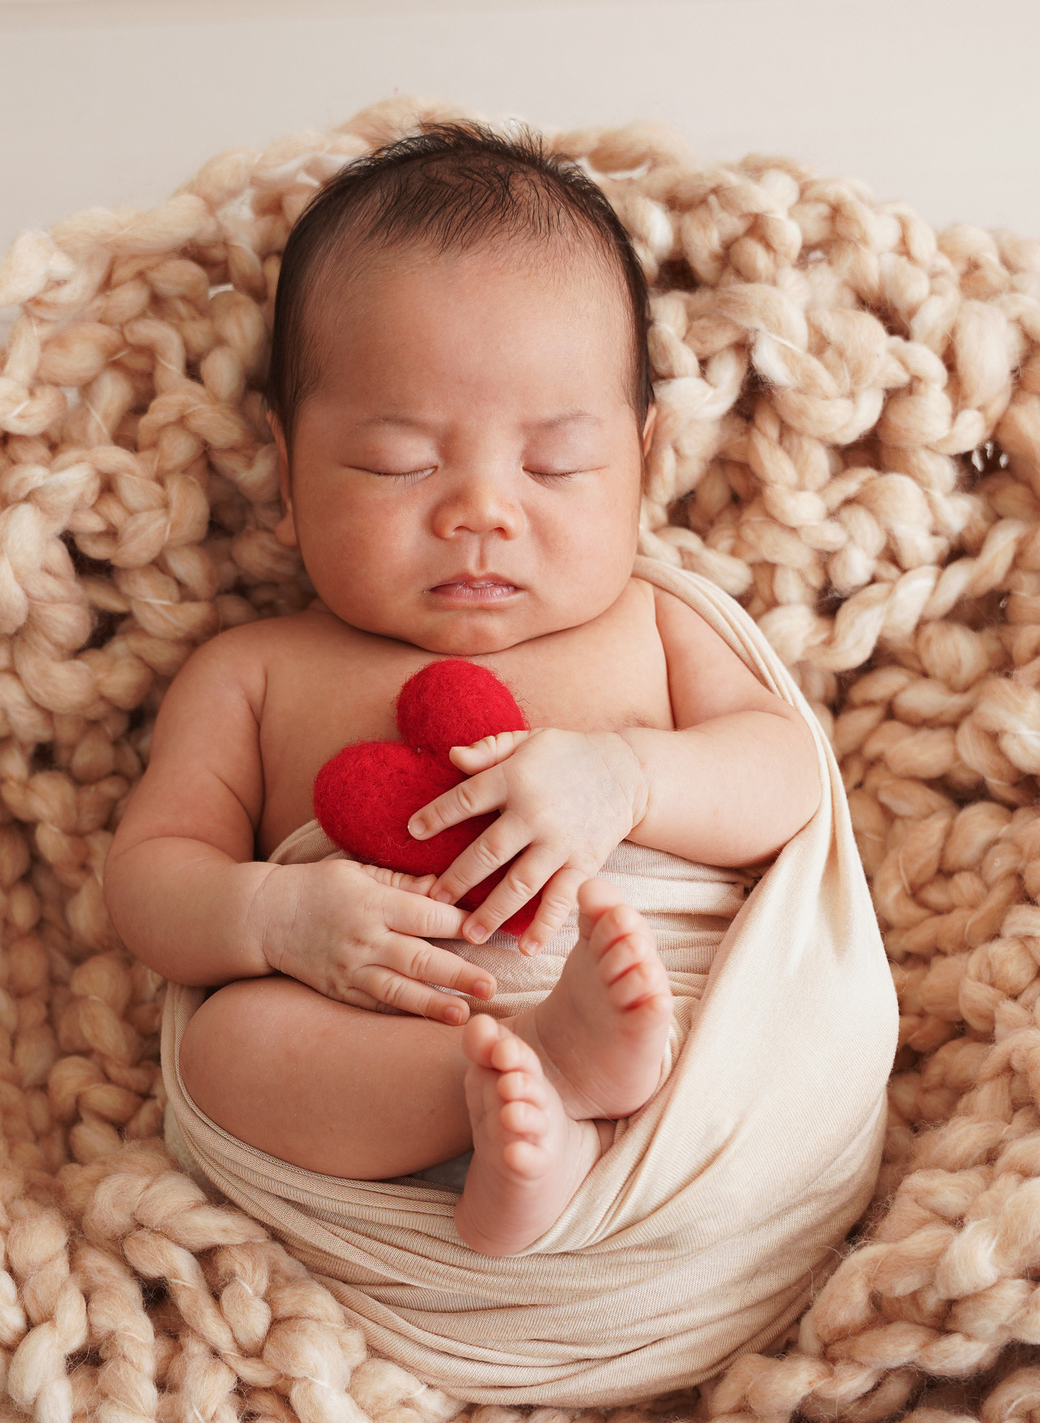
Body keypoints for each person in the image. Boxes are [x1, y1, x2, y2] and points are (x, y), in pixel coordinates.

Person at [104, 123, 821, 1257]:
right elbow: (147, 885)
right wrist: (273, 916)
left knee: (742, 1023)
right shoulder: (252, 671)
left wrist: (628, 776)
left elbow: (787, 777)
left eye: (554, 463)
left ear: (644, 459)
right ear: (285, 476)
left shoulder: (654, 623)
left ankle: (564, 1101)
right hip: (385, 1071)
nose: (481, 508)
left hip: (674, 1055)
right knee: (227, 1051)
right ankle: (521, 1083)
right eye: (400, 462)